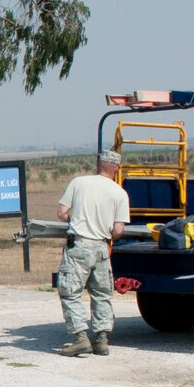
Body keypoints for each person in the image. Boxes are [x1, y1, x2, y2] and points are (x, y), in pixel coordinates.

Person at [55, 149, 131, 357]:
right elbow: (118, 231)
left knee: (71, 292)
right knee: (101, 294)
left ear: (99, 165)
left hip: (79, 245)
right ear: (116, 169)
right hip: (101, 248)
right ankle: (102, 340)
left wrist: (78, 221)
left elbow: (62, 214)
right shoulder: (120, 193)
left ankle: (80, 338)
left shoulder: (79, 183)